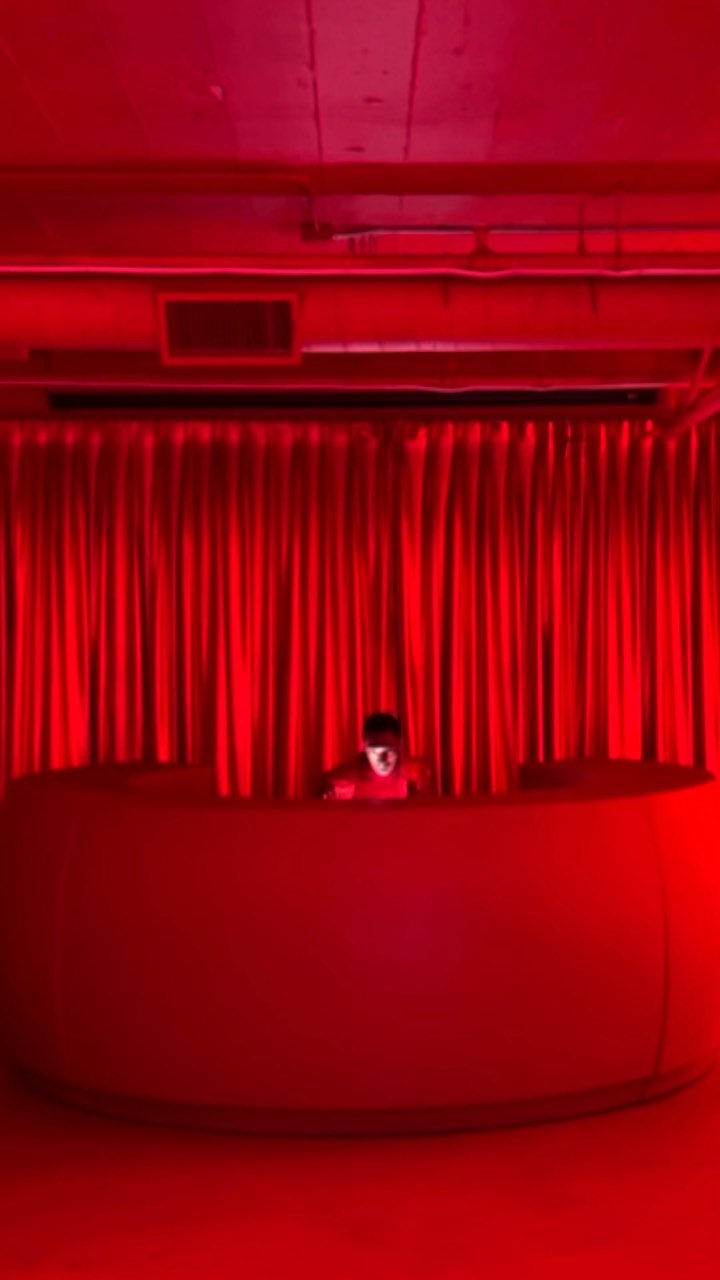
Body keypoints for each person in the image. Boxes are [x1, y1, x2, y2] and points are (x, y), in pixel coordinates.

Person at [321, 711, 432, 800]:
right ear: (364, 748)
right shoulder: (346, 777)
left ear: (399, 746)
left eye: (389, 749)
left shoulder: (415, 774)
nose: (382, 759)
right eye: (375, 750)